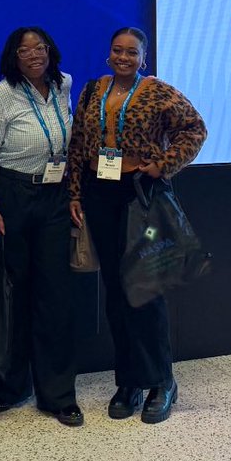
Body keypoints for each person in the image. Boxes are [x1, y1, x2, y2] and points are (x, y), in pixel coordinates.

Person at [68, 26, 207, 425]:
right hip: (98, 194)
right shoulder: (94, 89)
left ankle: (162, 381)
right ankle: (128, 381)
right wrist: (75, 194)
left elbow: (195, 129)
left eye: (132, 52)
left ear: (142, 58)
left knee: (144, 289)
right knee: (116, 293)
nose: (123, 57)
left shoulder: (158, 91)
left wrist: (163, 165)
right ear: (108, 53)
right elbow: (78, 144)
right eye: (117, 50)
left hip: (139, 195)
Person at [0, 27, 82, 426]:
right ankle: (8, 388)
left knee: (56, 296)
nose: (34, 54)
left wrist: (74, 194)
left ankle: (58, 395)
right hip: (13, 197)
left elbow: (68, 142)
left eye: (39, 47)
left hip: (55, 197)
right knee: (12, 295)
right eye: (24, 50)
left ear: (50, 50)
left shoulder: (64, 84)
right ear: (13, 56)